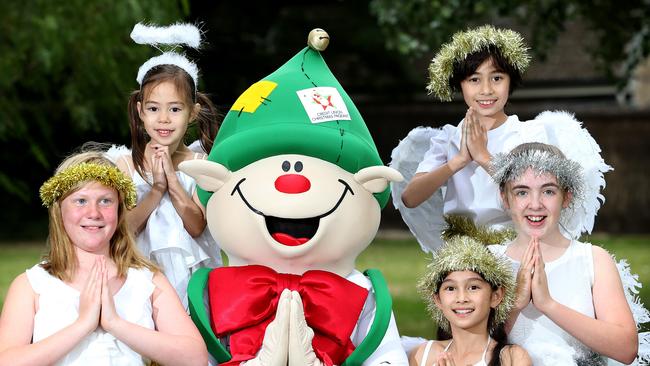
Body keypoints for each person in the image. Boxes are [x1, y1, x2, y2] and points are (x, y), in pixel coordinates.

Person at [390, 25, 611, 252]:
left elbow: (533, 191)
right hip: (464, 250)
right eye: (474, 80)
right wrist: (457, 162)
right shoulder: (448, 138)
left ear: (510, 81)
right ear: (460, 85)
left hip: (519, 243)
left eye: (496, 78)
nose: (486, 90)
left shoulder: (530, 133)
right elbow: (410, 197)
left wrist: (483, 156)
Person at [0, 150, 207, 366]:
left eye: (105, 201)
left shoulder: (148, 280)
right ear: (59, 210)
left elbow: (195, 358)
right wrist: (82, 325)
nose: (94, 213)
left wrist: (114, 323)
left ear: (119, 211)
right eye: (80, 201)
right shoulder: (32, 285)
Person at [488, 142, 647, 365]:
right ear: (505, 198)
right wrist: (514, 305)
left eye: (549, 191)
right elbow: (468, 350)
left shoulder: (593, 260)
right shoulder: (489, 261)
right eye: (522, 192)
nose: (535, 204)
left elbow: (626, 348)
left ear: (567, 197)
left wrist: (547, 304)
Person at [107, 22, 222, 308]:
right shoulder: (125, 166)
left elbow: (197, 225)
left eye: (175, 109)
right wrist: (156, 190)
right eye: (153, 108)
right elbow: (124, 229)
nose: (163, 119)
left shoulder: (201, 164)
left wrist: (172, 179)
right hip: (141, 276)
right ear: (140, 111)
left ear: (193, 112)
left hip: (190, 279)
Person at [409, 236, 531, 366]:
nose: (462, 298)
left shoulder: (511, 358)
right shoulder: (423, 355)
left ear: (496, 296)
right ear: (438, 299)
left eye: (473, 287)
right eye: (450, 288)